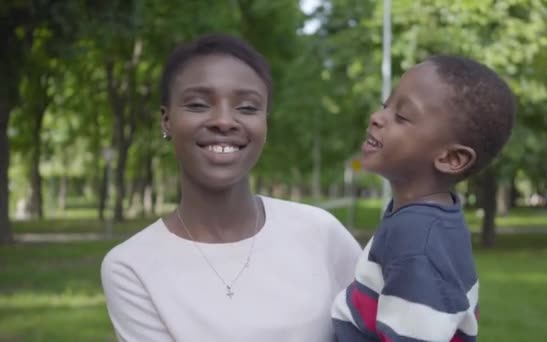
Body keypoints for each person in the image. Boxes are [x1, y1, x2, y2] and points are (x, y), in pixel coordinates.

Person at [101, 33, 362, 342]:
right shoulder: (131, 267)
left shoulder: (321, 232)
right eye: (198, 104)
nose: (224, 121)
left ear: (265, 122)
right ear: (167, 120)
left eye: (248, 108)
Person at [331, 55, 516, 342]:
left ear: (451, 158)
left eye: (402, 116)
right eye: (385, 105)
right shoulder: (419, 219)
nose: (377, 118)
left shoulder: (420, 243)